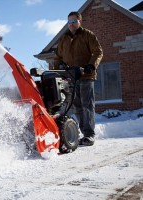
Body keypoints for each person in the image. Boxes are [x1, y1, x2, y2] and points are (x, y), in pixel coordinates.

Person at [52, 11, 103, 146]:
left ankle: (89, 135)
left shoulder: (88, 35)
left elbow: (98, 51)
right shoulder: (64, 39)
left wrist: (91, 65)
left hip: (86, 75)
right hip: (71, 77)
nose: (71, 24)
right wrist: (59, 67)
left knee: (87, 105)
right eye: (69, 22)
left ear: (80, 21)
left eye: (74, 21)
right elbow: (57, 57)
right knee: (77, 106)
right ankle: (83, 133)